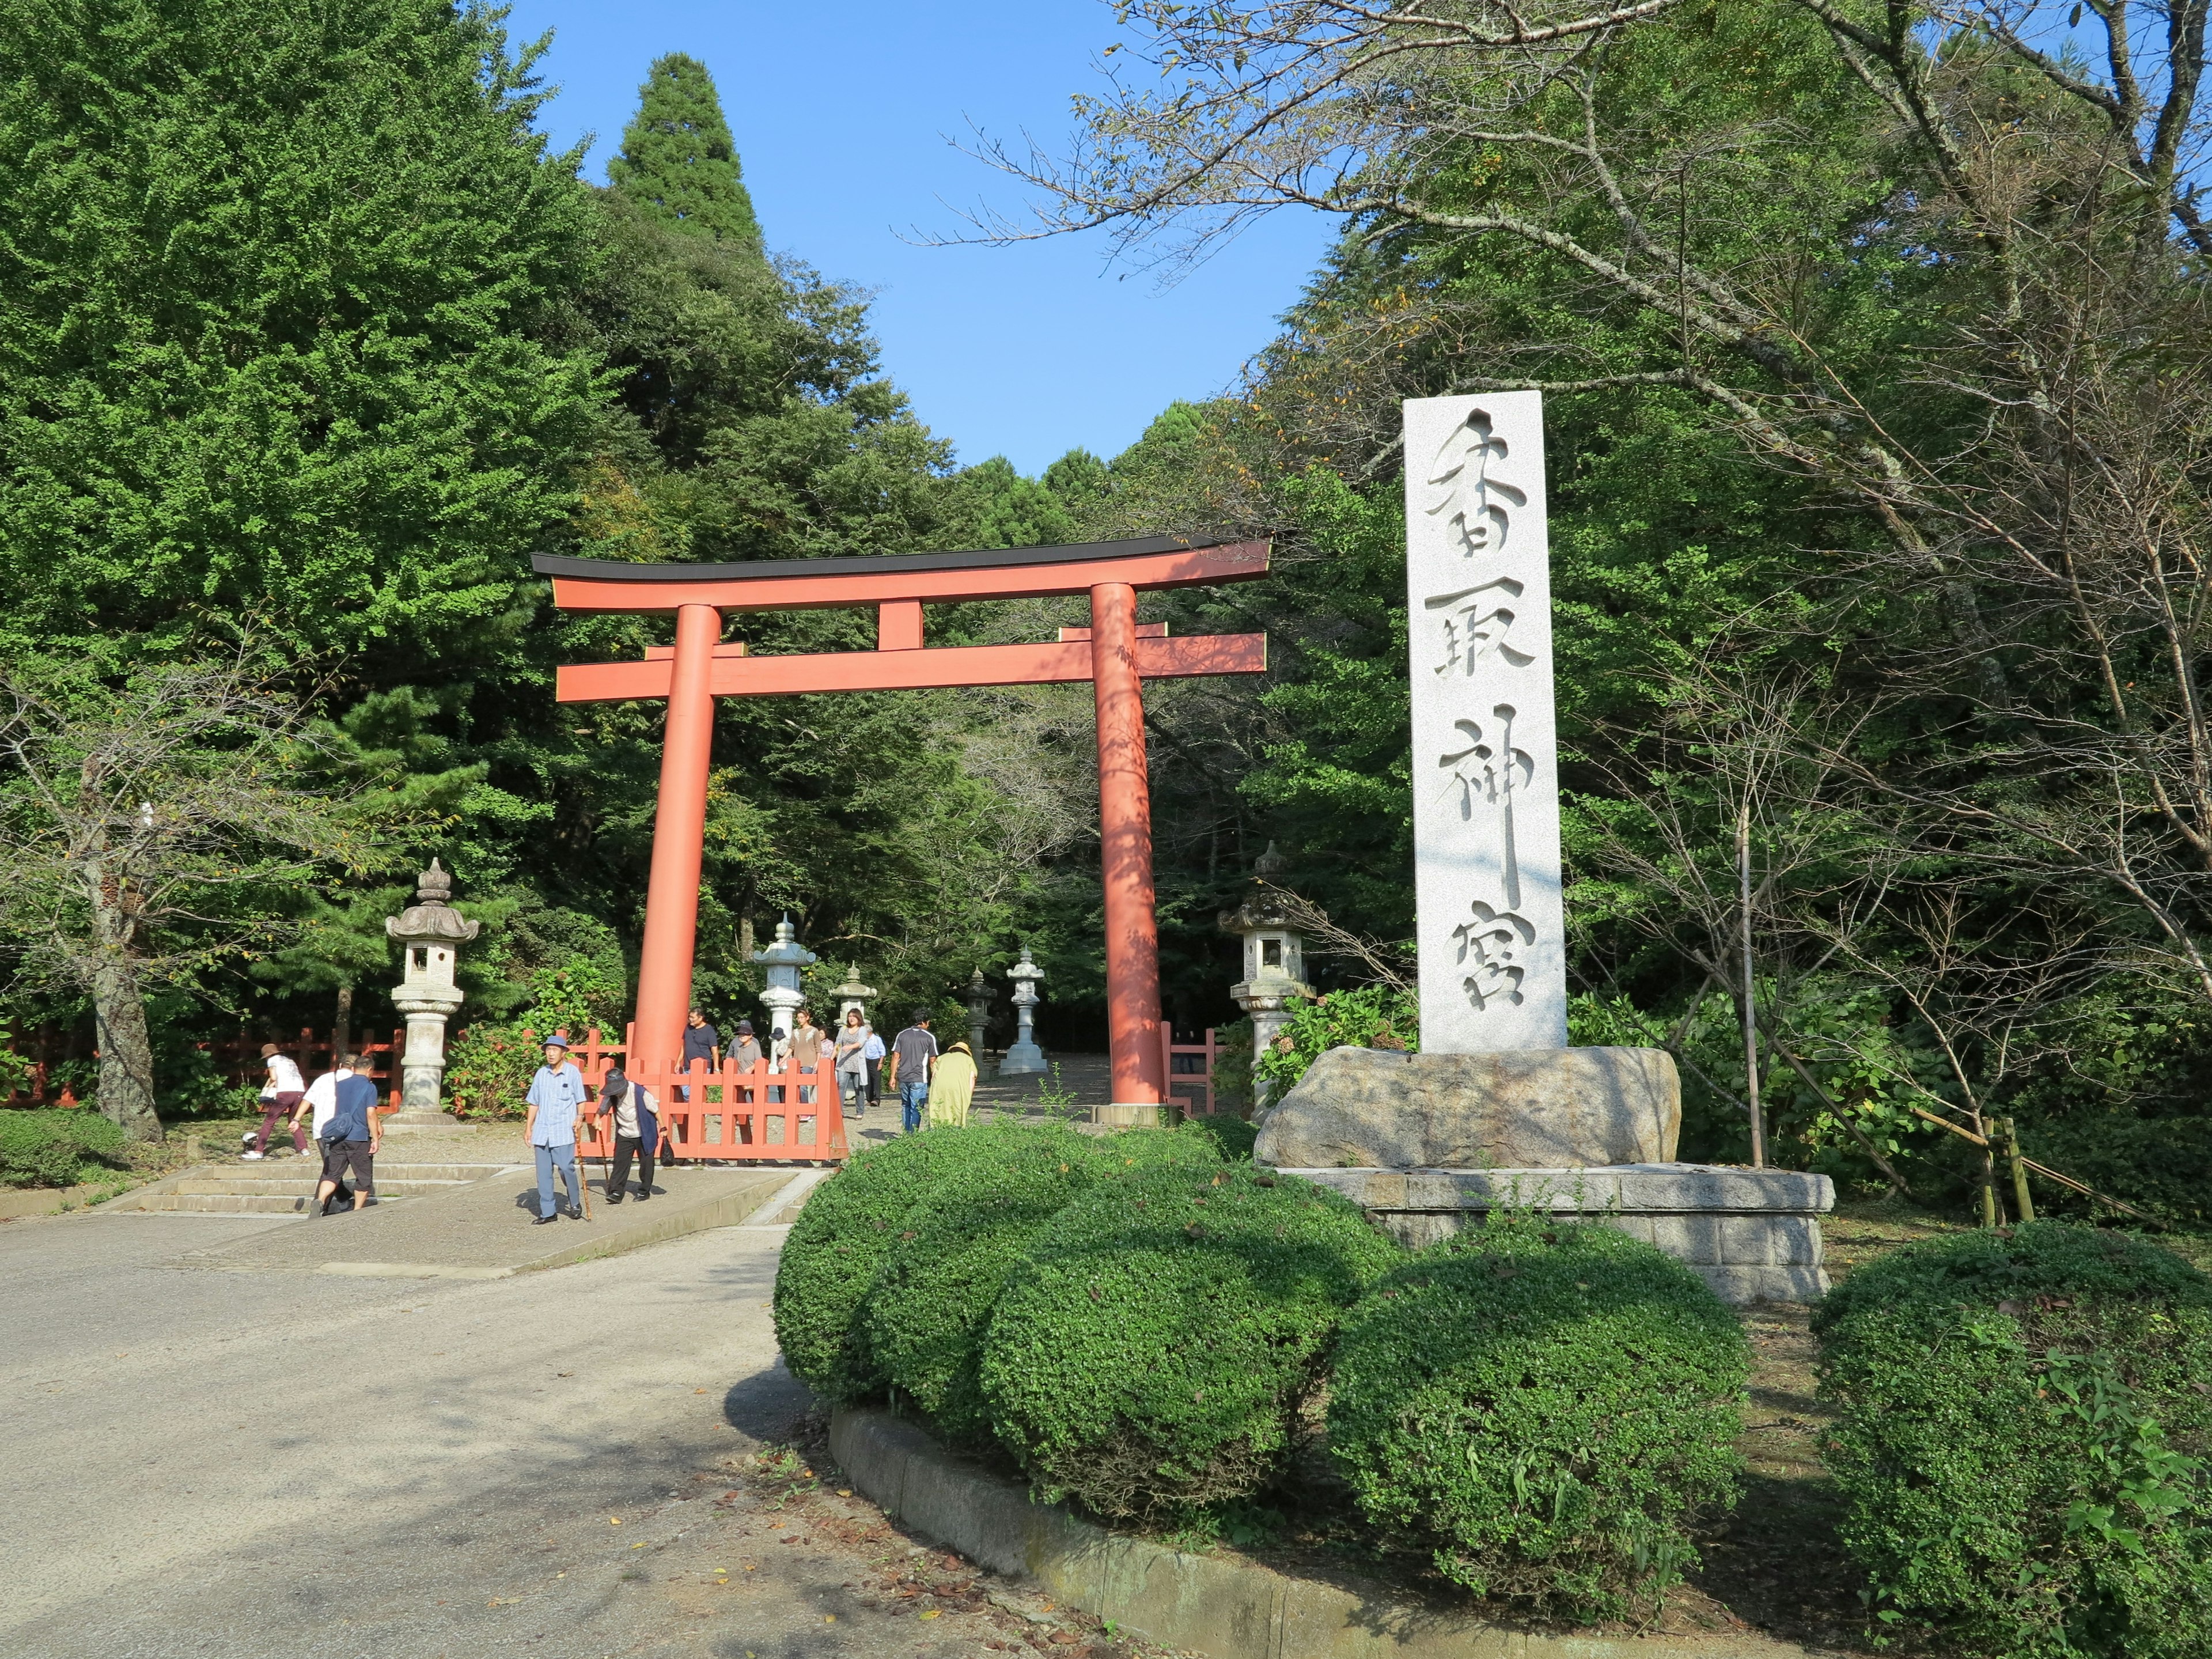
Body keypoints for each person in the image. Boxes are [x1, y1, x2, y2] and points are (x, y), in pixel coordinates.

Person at [524, 1035, 590, 1225]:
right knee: (543, 1173)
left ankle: (575, 1202)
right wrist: (529, 1127)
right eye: (548, 1050)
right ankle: (548, 1211)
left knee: (566, 1168)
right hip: (542, 1130)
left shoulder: (572, 1073)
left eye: (555, 1050)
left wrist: (579, 1117)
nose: (551, 1054)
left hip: (563, 1129)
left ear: (563, 1053)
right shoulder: (541, 1074)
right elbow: (533, 1102)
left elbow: (581, 1099)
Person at [309, 1055, 380, 1215]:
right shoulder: (370, 1087)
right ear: (370, 1070)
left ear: (354, 1069)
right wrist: (375, 1138)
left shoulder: (340, 1085)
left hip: (339, 1136)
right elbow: (370, 1114)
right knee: (363, 1176)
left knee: (333, 1174)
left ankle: (320, 1201)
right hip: (358, 1136)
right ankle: (356, 1211)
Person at [593, 1066, 661, 1204]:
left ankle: (644, 1191)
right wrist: (597, 1118)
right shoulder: (612, 1094)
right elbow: (603, 1108)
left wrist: (663, 1127)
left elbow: (656, 1110)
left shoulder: (640, 1092)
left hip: (644, 1132)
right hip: (624, 1132)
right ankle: (616, 1192)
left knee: (646, 1164)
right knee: (620, 1163)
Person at [244, 1043, 306, 1160]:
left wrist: (266, 1090)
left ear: (267, 1055)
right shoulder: (289, 1061)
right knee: (294, 1120)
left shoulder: (272, 1060)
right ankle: (303, 1148)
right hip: (299, 1091)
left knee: (269, 1121)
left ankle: (258, 1151)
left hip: (285, 1092)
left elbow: (273, 1078)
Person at [884, 1009, 938, 1135]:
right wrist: (934, 1077)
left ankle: (907, 1132)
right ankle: (913, 1134)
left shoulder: (902, 1035)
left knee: (905, 1105)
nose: (928, 1025)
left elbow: (896, 1056)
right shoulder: (929, 1037)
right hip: (919, 1077)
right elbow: (933, 1060)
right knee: (917, 1107)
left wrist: (893, 1077)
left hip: (903, 1076)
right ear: (923, 1022)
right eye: (928, 1022)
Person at [926, 1040, 979, 1130]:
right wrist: (968, 1096)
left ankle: (936, 1128)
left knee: (938, 1108)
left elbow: (934, 1075)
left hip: (940, 1086)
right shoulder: (968, 1059)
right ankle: (956, 1129)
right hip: (958, 1087)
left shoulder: (941, 1058)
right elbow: (972, 1077)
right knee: (958, 1107)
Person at [834, 1009, 870, 1118]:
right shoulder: (843, 1029)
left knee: (858, 1087)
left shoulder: (862, 1030)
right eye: (850, 1016)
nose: (851, 1018)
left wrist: (850, 1047)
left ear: (859, 1018)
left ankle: (860, 1111)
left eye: (854, 1016)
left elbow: (861, 1043)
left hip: (857, 1062)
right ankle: (839, 1111)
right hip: (843, 1062)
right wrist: (831, 1058)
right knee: (841, 1086)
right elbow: (837, 1044)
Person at [789, 1008, 827, 1105]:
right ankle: (798, 1107)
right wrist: (784, 1059)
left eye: (802, 1017)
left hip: (809, 1062)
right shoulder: (795, 1032)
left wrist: (818, 1062)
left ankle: (805, 1109)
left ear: (807, 1018)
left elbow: (818, 1048)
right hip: (796, 1062)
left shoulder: (814, 1031)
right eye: (798, 1018)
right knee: (795, 1085)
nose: (800, 1020)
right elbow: (791, 1047)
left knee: (803, 1086)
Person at [862, 1024, 886, 1108]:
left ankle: (876, 1099)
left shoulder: (877, 1039)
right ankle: (869, 1099)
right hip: (866, 1061)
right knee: (867, 1081)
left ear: (868, 1032)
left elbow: (882, 1052)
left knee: (876, 1080)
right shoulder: (864, 1040)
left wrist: (880, 1063)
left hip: (875, 1061)